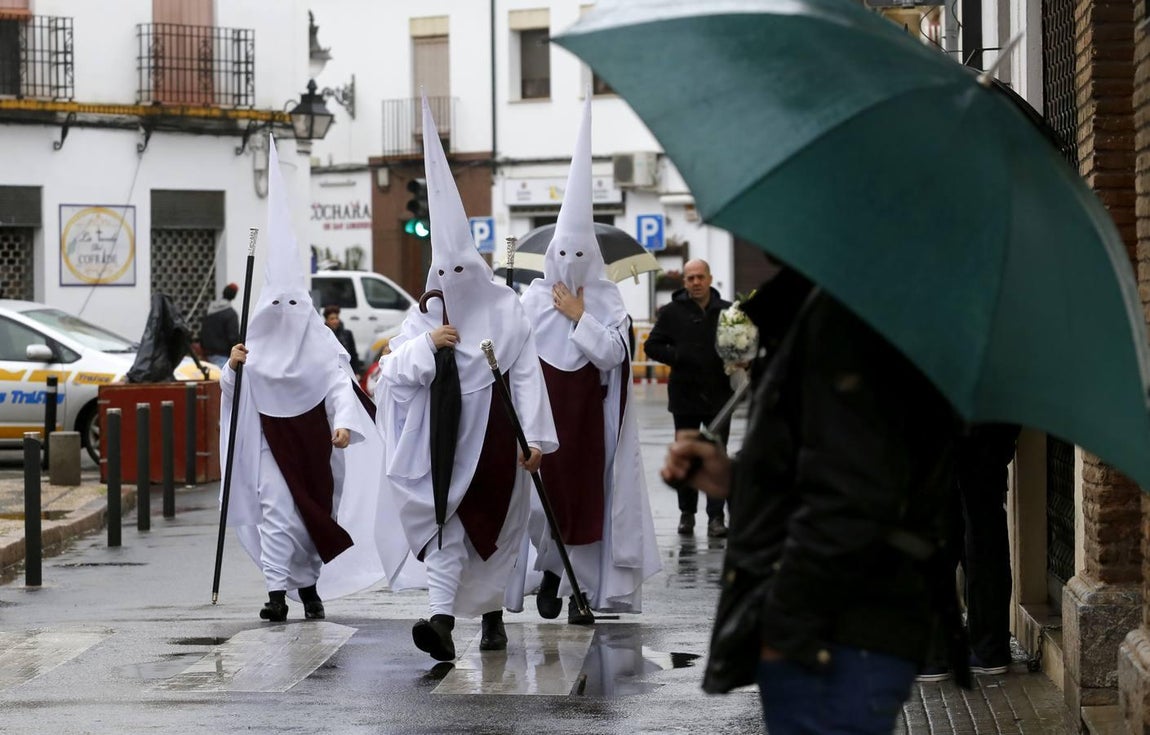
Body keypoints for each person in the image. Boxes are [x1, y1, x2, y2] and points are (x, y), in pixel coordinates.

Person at [661, 265, 962, 734]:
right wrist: (736, 480)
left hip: (834, 635)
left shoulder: (847, 321)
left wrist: (784, 626)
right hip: (835, 632)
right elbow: (832, 469)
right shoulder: (822, 310)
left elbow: (852, 498)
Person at [375, 97, 558, 662]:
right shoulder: (426, 316)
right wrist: (429, 345)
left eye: (462, 272)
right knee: (447, 528)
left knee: (496, 532)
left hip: (499, 443)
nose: (453, 282)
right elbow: (391, 374)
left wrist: (536, 440)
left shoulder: (509, 315)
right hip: (445, 444)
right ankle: (441, 620)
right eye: (443, 274)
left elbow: (526, 378)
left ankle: (494, 618)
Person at [220, 136, 406, 623]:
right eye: (275, 306)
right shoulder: (251, 348)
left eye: (293, 305)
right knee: (277, 512)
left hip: (317, 448)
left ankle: (308, 587)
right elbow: (233, 394)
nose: (285, 316)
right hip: (269, 446)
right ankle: (278, 593)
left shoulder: (323, 344)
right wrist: (233, 367)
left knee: (309, 518)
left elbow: (340, 385)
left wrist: (344, 424)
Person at [520, 95, 661, 624]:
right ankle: (551, 571)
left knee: (587, 504)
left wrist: (580, 316)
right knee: (542, 504)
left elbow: (613, 357)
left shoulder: (606, 302)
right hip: (541, 423)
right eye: (563, 254)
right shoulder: (531, 300)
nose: (571, 264)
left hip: (589, 423)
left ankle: (580, 592)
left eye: (581, 255)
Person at [643, 258, 733, 538]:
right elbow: (651, 345)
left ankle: (716, 518)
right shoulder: (671, 312)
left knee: (715, 454)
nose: (695, 282)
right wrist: (678, 356)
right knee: (686, 455)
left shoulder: (728, 311)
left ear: (709, 278)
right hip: (685, 396)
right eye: (690, 278)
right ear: (684, 282)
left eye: (700, 277)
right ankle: (687, 515)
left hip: (720, 396)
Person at [201, 282, 240, 367]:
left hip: (206, 356)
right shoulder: (231, 314)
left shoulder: (209, 310)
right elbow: (233, 338)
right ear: (234, 296)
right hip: (222, 357)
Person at [323, 304, 363, 377]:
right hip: (330, 372)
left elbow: (353, 354)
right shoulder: (323, 335)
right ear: (327, 320)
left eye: (337, 318)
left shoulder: (347, 334)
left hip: (346, 371)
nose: (335, 321)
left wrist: (357, 372)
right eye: (332, 319)